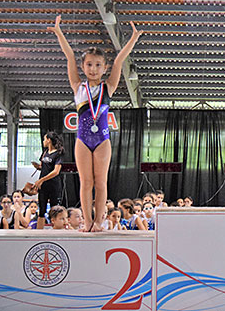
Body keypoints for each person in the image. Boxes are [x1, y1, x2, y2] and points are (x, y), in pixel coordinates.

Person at [48, 15, 142, 232]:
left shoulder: (108, 87)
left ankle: (99, 221)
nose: (92, 68)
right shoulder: (77, 86)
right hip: (82, 140)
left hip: (102, 141)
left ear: (104, 67)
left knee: (101, 183)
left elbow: (119, 60)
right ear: (83, 66)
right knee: (86, 183)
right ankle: (87, 222)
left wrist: (133, 39)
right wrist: (59, 33)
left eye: (98, 65)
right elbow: (69, 56)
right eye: (89, 64)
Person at [32, 131, 64, 229]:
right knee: (42, 210)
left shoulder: (59, 153)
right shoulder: (45, 152)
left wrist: (41, 180)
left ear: (49, 140)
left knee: (55, 209)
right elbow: (44, 167)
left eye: (44, 139)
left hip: (54, 184)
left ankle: (55, 231)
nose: (43, 141)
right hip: (43, 185)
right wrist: (38, 167)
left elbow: (56, 171)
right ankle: (39, 233)